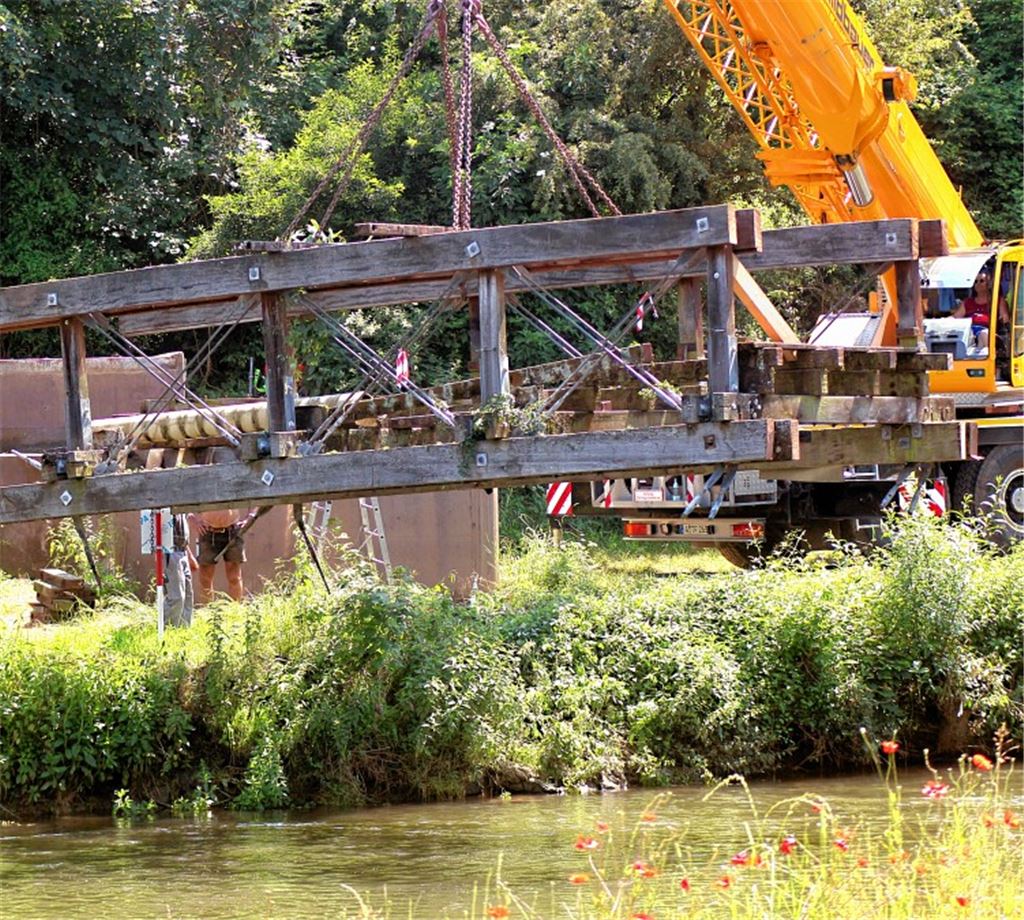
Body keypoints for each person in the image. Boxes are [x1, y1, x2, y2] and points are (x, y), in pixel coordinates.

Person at [190, 508, 256, 604]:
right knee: (205, 578)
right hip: (208, 532)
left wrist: (250, 517)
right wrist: (193, 520)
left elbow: (253, 500)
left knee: (234, 577)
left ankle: (235, 610)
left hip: (233, 531)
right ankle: (207, 611)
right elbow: (182, 502)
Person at [954, 269, 1010, 350]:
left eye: (981, 281)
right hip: (970, 334)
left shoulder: (997, 301)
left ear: (989, 283)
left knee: (984, 334)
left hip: (990, 334)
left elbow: (1005, 318)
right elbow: (955, 317)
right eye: (976, 282)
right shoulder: (967, 302)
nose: (978, 284)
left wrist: (1003, 317)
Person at [164, 514, 197, 627]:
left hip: (183, 551)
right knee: (176, 596)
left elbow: (182, 535)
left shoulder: (182, 510)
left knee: (188, 594)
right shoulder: (164, 508)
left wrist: (190, 556)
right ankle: (168, 628)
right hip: (170, 551)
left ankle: (184, 629)